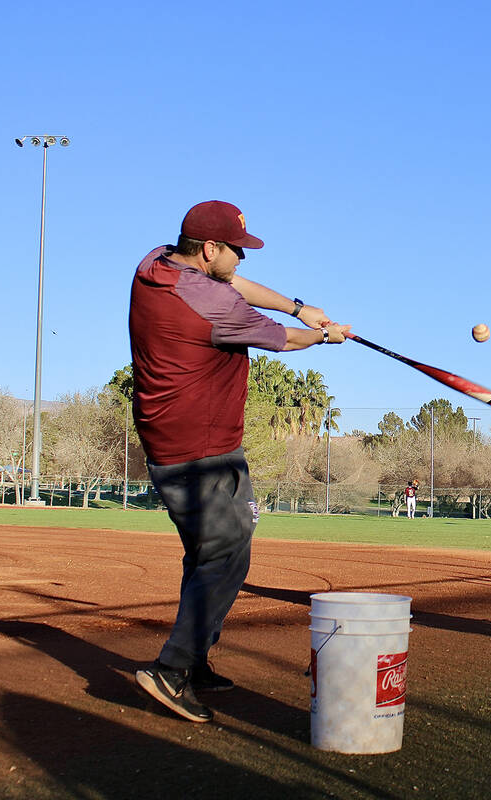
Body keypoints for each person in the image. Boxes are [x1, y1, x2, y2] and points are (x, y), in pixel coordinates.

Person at [130, 200, 350, 723]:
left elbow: (232, 285)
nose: (242, 260)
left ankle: (196, 657)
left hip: (182, 438)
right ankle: (173, 669)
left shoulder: (157, 264)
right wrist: (324, 335)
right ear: (209, 249)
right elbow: (285, 343)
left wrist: (299, 305)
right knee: (228, 553)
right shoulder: (212, 307)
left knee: (209, 553)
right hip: (199, 451)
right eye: (236, 250)